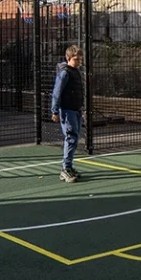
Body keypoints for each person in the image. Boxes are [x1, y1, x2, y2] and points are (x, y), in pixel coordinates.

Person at [51, 45, 85, 183]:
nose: (79, 62)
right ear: (68, 58)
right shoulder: (64, 73)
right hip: (67, 110)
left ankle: (69, 167)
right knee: (71, 137)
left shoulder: (75, 71)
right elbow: (57, 92)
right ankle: (65, 169)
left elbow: (77, 91)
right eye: (76, 59)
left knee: (74, 138)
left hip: (75, 109)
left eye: (80, 59)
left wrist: (81, 109)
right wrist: (54, 111)